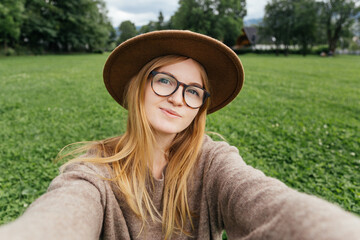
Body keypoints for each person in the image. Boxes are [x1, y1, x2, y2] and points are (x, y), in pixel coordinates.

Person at [0, 30, 359, 240]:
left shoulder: (213, 163)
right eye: (165, 80)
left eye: (193, 90)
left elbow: (273, 207)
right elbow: (58, 219)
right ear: (138, 86)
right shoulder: (92, 173)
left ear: (199, 106)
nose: (177, 97)